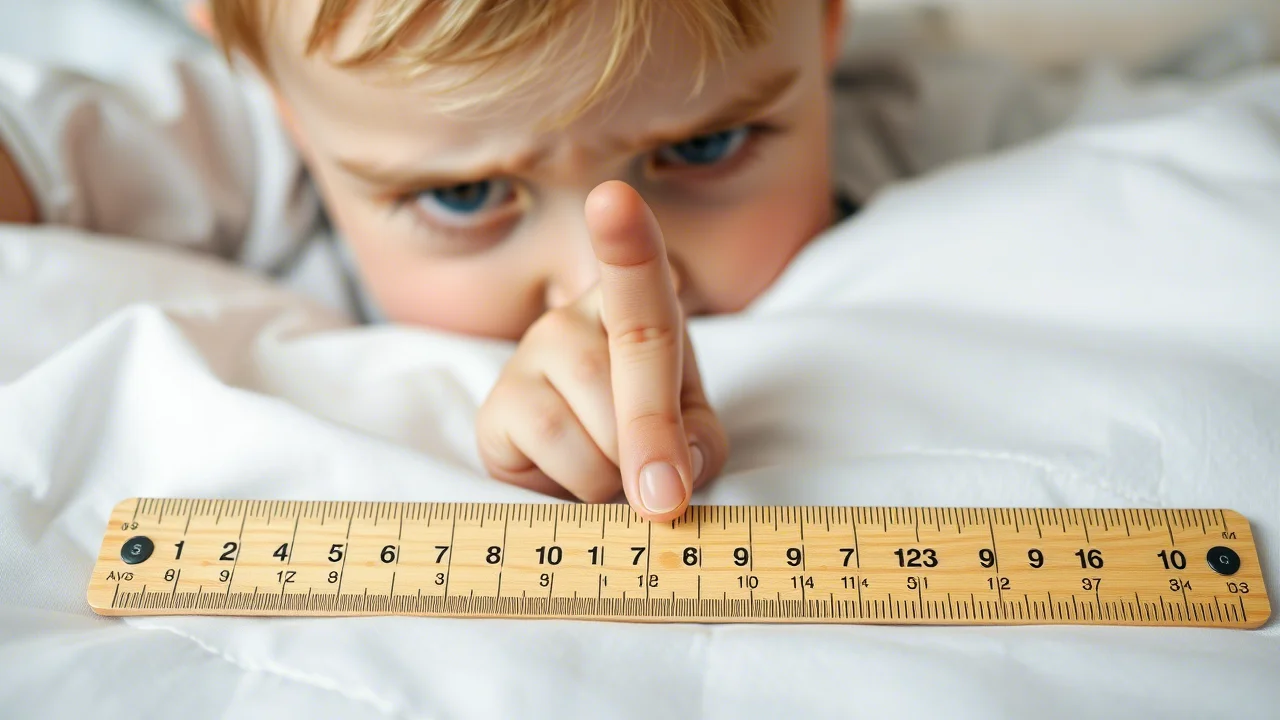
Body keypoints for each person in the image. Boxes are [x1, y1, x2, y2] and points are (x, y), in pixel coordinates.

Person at [0, 0, 1066, 520]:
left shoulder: (916, 115)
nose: (599, 284)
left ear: (827, 24)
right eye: (464, 197)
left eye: (702, 149)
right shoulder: (246, 139)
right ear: (287, 109)